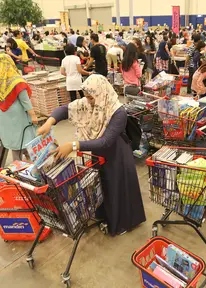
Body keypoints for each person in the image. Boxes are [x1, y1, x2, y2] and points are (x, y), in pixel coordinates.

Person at [37, 75, 146, 236]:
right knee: (101, 185)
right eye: (86, 97)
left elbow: (106, 141)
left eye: (91, 98)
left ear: (101, 93)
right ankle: (104, 216)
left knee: (117, 188)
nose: (88, 102)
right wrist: (49, 122)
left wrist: (74, 145)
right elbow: (65, 109)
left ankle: (122, 223)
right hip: (98, 153)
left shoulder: (117, 112)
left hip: (117, 155)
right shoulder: (89, 104)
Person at [0, 54, 38, 161]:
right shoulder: (16, 80)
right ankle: (22, 168)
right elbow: (25, 100)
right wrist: (33, 116)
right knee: (24, 140)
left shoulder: (1, 81)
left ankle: (17, 166)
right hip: (18, 117)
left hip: (4, 116)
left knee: (14, 143)